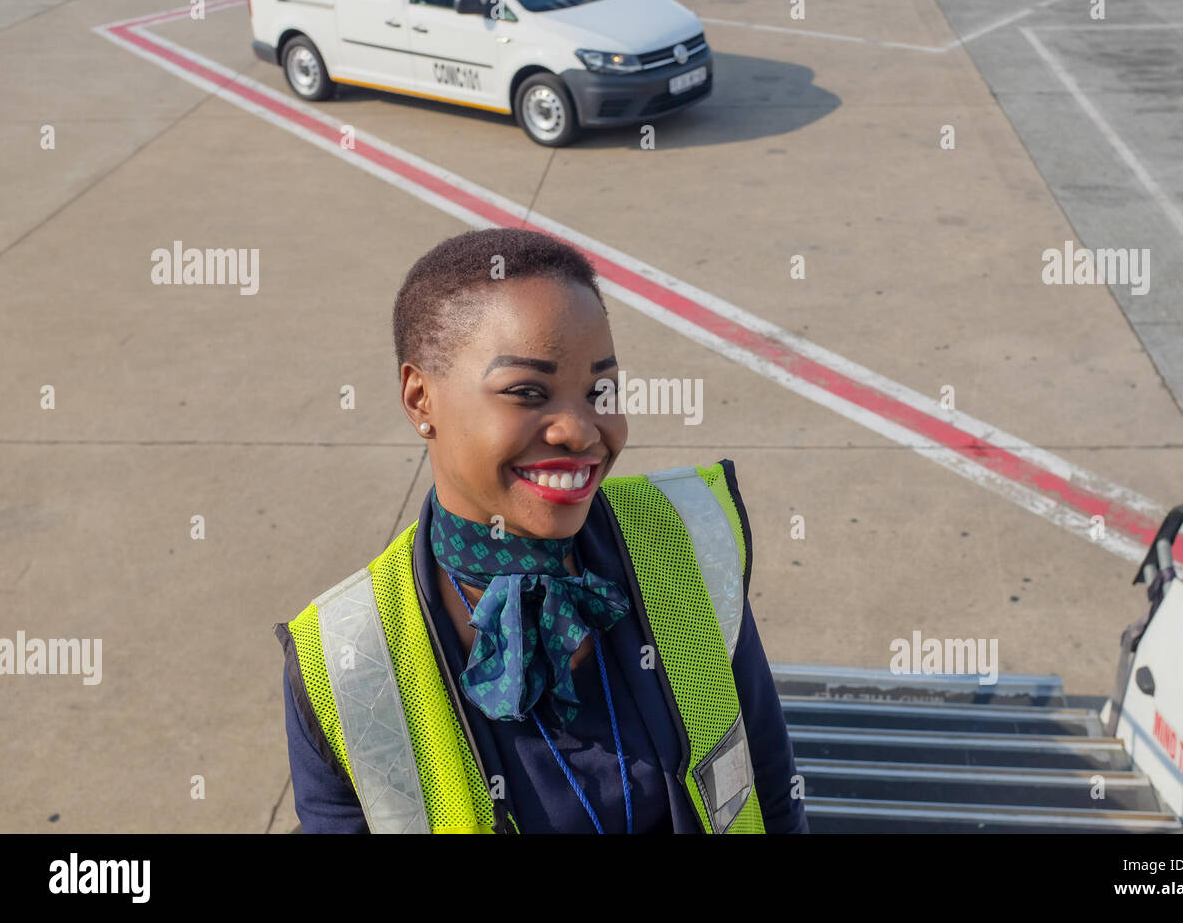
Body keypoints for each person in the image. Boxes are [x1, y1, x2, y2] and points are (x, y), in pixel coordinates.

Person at [274, 227, 808, 833]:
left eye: (599, 390)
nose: (580, 431)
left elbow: (769, 786)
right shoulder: (346, 660)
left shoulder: (684, 541)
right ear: (420, 398)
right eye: (527, 392)